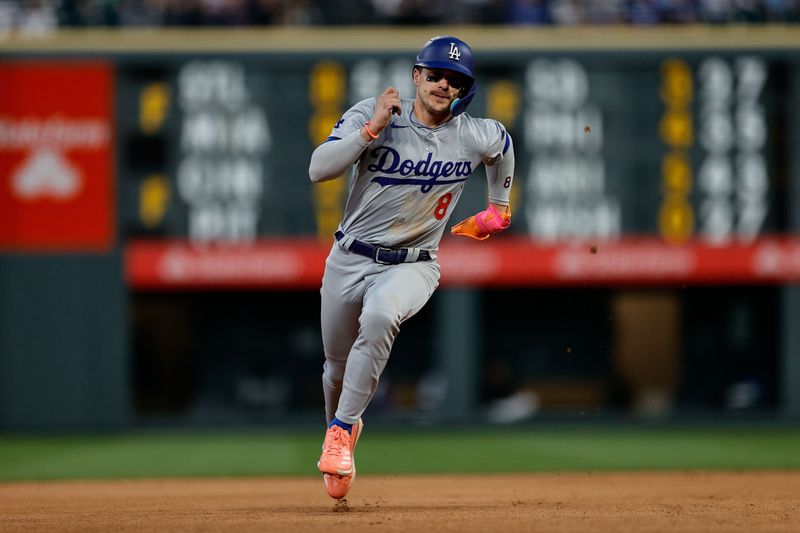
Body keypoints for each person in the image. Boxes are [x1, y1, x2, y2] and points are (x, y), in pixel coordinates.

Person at [308, 35, 515, 500]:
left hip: (416, 263)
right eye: (436, 74)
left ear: (466, 89)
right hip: (349, 257)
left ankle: (340, 431)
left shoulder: (472, 133)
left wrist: (497, 207)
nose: (444, 84)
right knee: (336, 371)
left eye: (455, 79)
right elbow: (319, 169)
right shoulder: (374, 113)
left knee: (382, 314)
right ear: (416, 76)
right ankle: (341, 430)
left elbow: (502, 145)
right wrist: (369, 130)